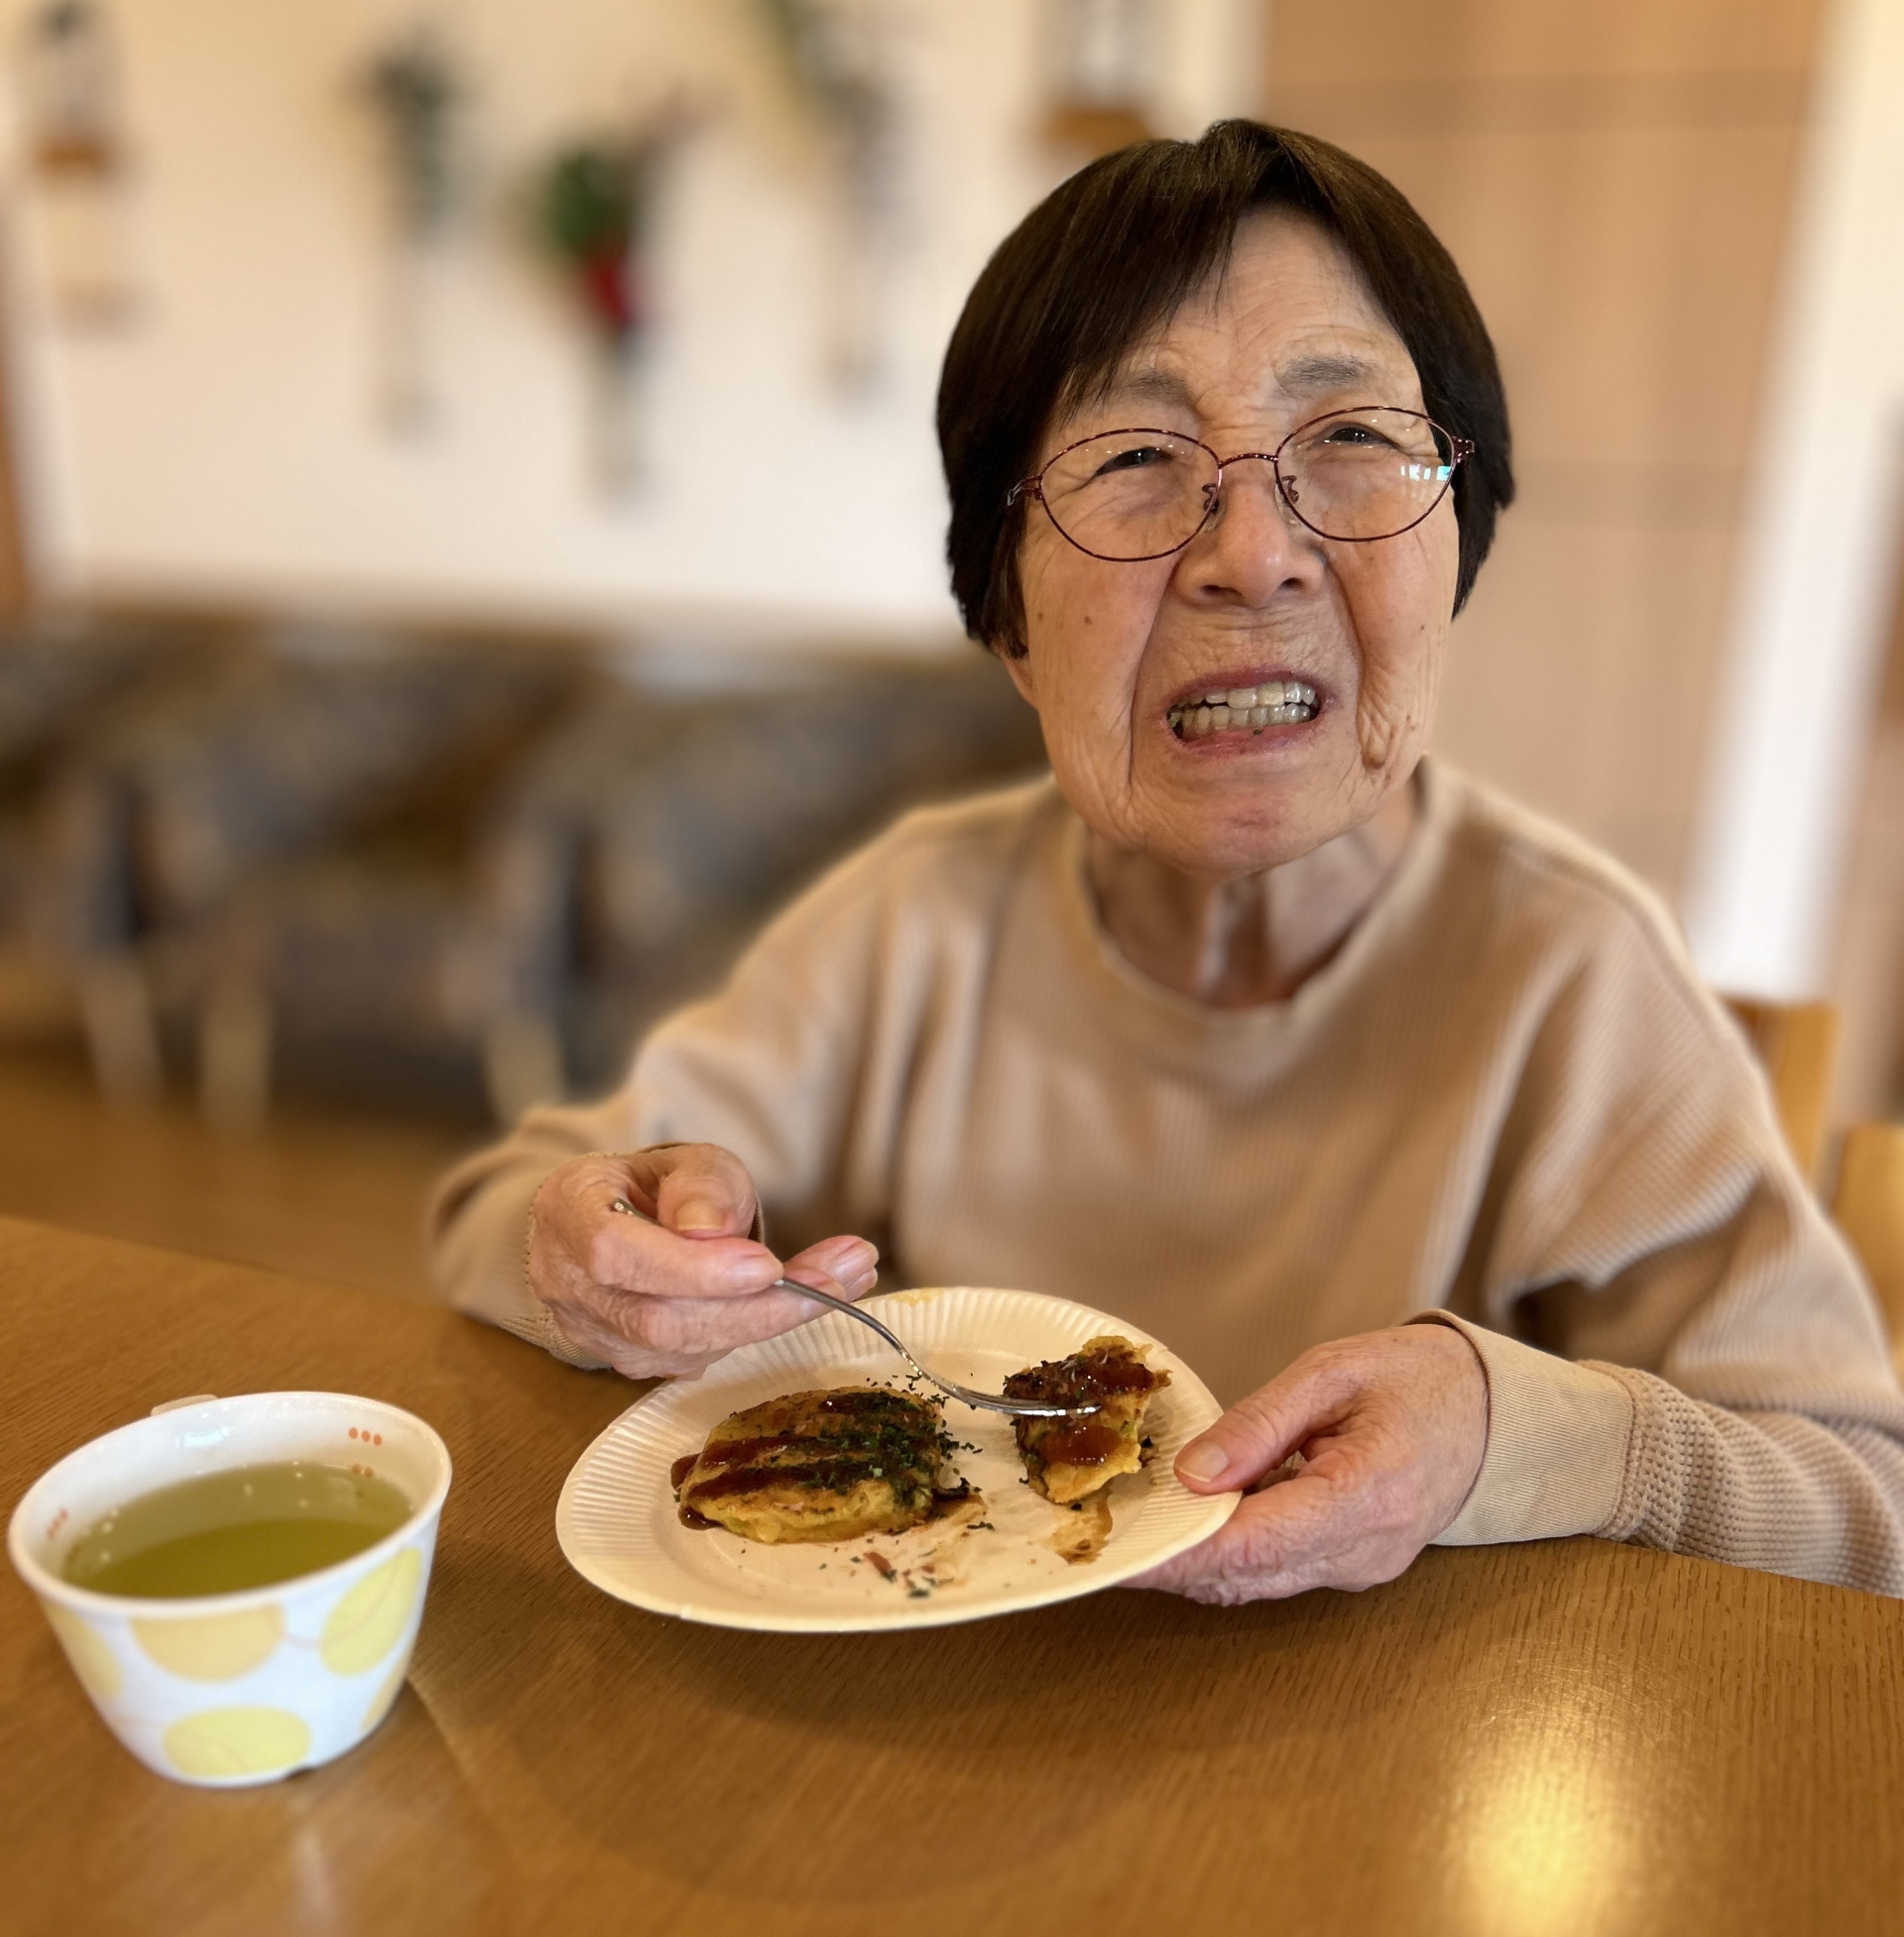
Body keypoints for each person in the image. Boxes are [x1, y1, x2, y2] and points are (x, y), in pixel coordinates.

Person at [430, 120, 1904, 1600]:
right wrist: (597, 1263)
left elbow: (1866, 1503)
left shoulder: (1568, 979)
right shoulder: (916, 922)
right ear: (1009, 622)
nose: (1252, 553)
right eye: (1136, 457)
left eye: (1351, 439)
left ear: (1456, 548)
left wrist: (1514, 1434)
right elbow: (518, 1206)